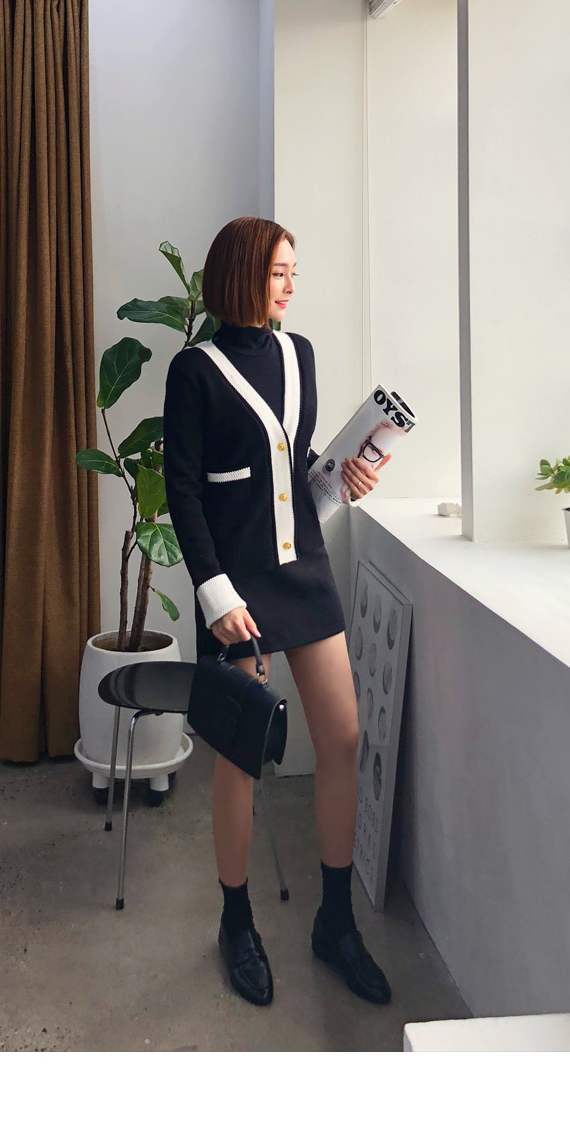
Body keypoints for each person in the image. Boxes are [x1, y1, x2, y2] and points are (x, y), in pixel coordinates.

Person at [162, 215, 393, 1009]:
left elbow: (293, 471)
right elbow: (183, 490)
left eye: (294, 271)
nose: (291, 285)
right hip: (236, 587)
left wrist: (345, 478)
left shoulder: (301, 356)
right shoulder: (194, 370)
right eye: (278, 272)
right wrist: (214, 594)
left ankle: (335, 922)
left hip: (303, 573)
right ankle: (236, 923)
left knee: (343, 738)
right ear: (242, 275)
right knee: (241, 756)